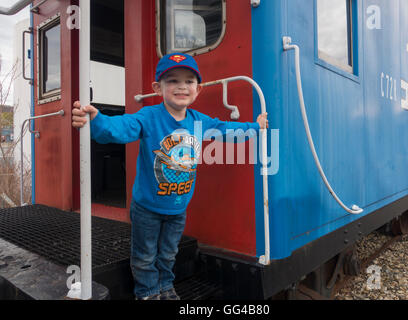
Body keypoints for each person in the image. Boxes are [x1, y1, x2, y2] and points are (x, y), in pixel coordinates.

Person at [72, 52, 268, 300]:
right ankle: (148, 292)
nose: (181, 86)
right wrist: (96, 120)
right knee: (144, 256)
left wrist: (255, 126)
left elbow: (227, 129)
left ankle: (165, 286)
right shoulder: (149, 117)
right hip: (147, 208)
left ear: (198, 89)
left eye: (188, 81)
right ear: (158, 87)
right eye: (172, 80)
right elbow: (120, 128)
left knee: (168, 254)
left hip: (178, 208)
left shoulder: (200, 121)